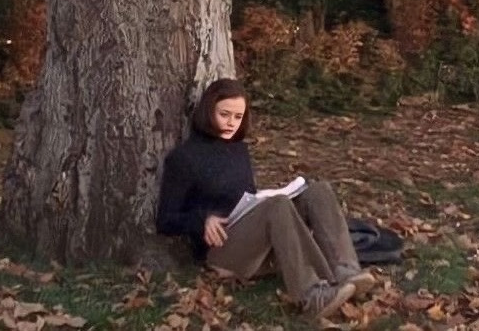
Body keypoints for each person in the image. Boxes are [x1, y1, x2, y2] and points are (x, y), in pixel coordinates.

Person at [156, 78, 375, 318]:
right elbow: (165, 220)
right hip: (221, 250)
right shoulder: (183, 158)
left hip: (255, 239)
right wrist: (202, 220)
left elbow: (244, 196)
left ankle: (347, 272)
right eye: (224, 114)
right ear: (208, 111)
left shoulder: (238, 149)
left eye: (238, 117)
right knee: (276, 206)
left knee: (318, 191)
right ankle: (312, 296)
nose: (231, 123)